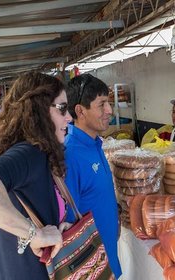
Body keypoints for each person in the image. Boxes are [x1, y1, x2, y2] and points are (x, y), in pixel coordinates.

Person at [0, 72, 73, 279]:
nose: (69, 117)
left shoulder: (39, 151)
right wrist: (33, 234)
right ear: (38, 109)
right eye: (62, 108)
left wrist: (58, 226)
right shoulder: (29, 152)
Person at [65, 73, 122, 279]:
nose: (110, 110)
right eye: (102, 104)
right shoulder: (70, 155)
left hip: (108, 256)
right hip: (91, 267)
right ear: (80, 110)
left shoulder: (96, 143)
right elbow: (68, 224)